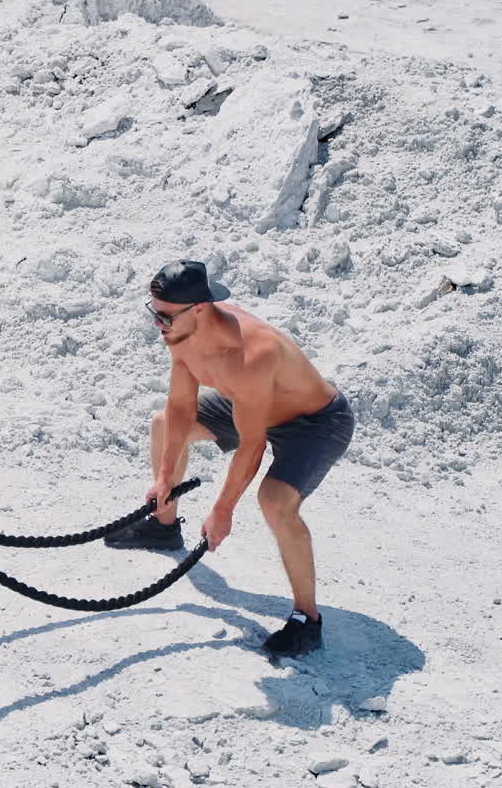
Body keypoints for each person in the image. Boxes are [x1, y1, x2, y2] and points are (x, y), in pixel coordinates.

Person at [104, 259, 355, 658]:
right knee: (162, 424)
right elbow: (181, 408)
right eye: (154, 312)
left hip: (314, 423)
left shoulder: (251, 353)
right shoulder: (181, 334)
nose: (159, 324)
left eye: (166, 316)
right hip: (250, 404)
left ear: (199, 308)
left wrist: (222, 510)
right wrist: (165, 478)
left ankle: (308, 620)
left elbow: (252, 445)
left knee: (275, 501)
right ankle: (164, 525)